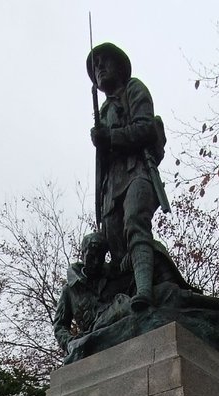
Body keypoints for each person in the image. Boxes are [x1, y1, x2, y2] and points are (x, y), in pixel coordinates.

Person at [88, 42, 167, 312]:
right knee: (117, 248)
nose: (99, 68)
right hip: (112, 187)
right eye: (95, 65)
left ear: (119, 66)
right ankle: (127, 304)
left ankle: (145, 291)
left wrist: (111, 137)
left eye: (104, 61)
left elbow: (146, 129)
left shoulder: (133, 89)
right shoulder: (102, 112)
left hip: (137, 172)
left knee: (135, 222)